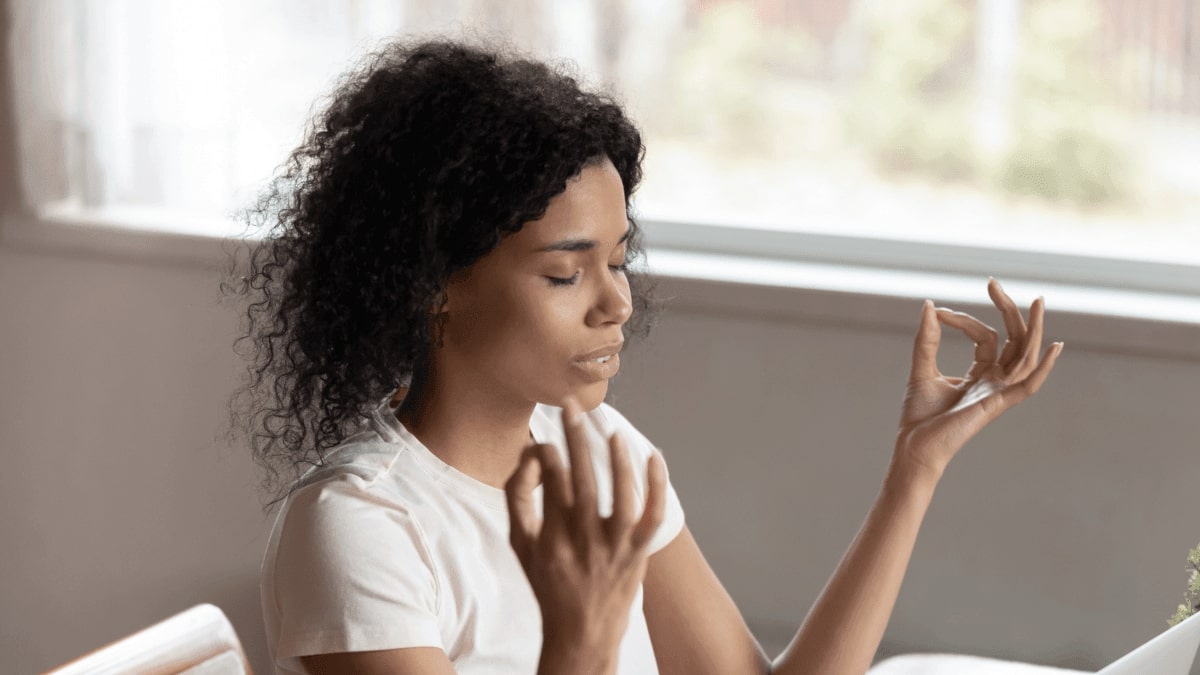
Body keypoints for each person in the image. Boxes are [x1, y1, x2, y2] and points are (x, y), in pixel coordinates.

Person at [228, 37, 1063, 675]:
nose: (616, 302)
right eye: (565, 271)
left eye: (619, 259)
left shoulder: (602, 452)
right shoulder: (360, 526)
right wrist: (581, 636)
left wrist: (914, 469)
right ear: (433, 282)